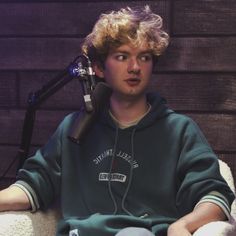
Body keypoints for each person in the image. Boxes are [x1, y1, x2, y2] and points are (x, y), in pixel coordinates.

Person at [0, 5, 234, 236]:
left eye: (144, 57)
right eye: (122, 57)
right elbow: (32, 186)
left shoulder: (179, 130)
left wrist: (181, 226)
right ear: (99, 68)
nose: (135, 68)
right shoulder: (74, 128)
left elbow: (214, 195)